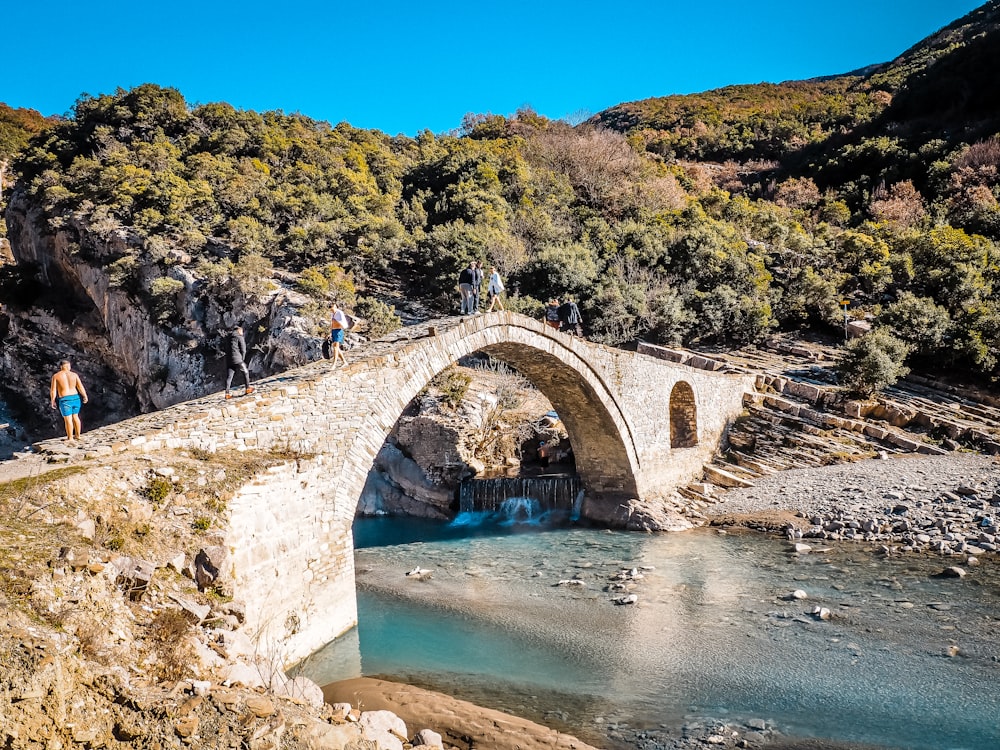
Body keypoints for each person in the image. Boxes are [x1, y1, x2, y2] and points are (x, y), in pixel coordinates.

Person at [50, 359, 88, 442]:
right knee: (76, 416)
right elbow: (80, 387)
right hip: (75, 397)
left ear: (61, 366)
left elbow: (53, 390)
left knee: (68, 419)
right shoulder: (74, 375)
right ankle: (78, 435)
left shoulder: (56, 376)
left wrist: (52, 400)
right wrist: (84, 396)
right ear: (67, 366)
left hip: (65, 399)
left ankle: (70, 437)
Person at [225, 325, 254, 398]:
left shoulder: (228, 337)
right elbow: (243, 350)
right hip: (238, 359)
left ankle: (227, 394)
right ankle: (247, 388)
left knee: (229, 377)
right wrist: (242, 359)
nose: (242, 333)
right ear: (239, 331)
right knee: (245, 372)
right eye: (242, 332)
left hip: (229, 360)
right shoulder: (239, 337)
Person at [329, 301, 349, 367]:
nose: (332, 309)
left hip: (338, 331)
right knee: (336, 348)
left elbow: (343, 323)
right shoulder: (332, 314)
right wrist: (330, 332)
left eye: (333, 308)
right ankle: (344, 361)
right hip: (334, 331)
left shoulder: (340, 313)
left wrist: (338, 324)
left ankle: (334, 364)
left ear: (335, 307)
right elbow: (332, 323)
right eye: (331, 308)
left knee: (335, 348)